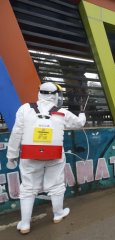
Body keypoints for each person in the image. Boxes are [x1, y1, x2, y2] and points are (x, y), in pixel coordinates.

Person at [6, 82, 86, 234]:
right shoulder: (62, 112)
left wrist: (12, 156)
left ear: (40, 94)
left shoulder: (25, 109)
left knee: (28, 188)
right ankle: (57, 214)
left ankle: (24, 224)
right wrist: (82, 115)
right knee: (55, 184)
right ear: (55, 95)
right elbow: (79, 123)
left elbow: (16, 133)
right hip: (54, 155)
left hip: (29, 155)